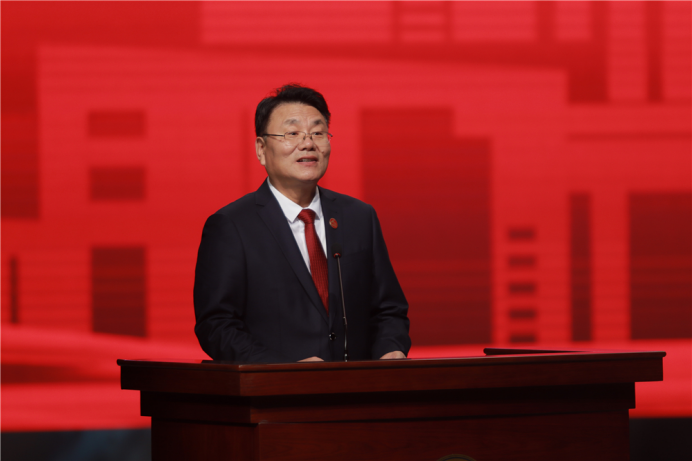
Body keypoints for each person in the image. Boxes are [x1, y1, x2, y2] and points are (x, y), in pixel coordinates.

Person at [193, 84, 410, 363]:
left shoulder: (359, 217)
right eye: (292, 133)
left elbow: (388, 309)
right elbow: (216, 325)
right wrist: (283, 371)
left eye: (318, 133)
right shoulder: (231, 226)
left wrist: (391, 349)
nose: (308, 144)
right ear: (261, 149)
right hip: (277, 389)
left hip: (357, 386)